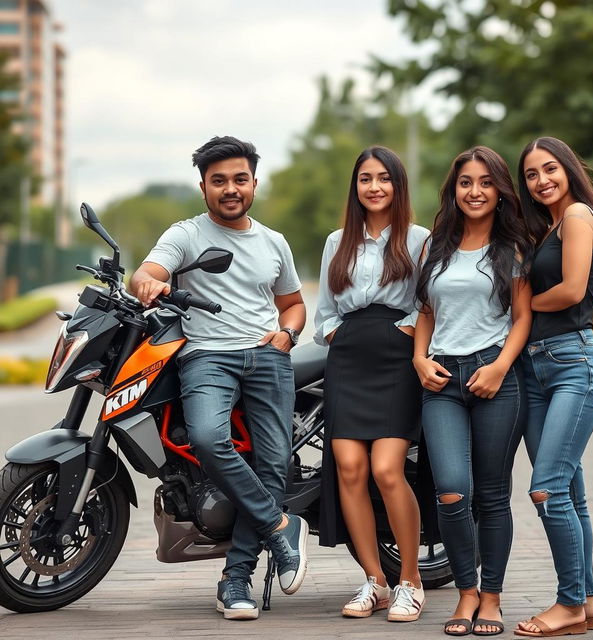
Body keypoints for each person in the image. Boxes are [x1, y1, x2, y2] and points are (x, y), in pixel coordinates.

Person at [131, 136, 308, 621]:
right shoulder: (186, 234)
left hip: (267, 356)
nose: (231, 189)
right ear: (204, 186)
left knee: (273, 466)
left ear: (253, 181)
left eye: (239, 179)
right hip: (207, 356)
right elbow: (148, 270)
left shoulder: (274, 242)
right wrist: (148, 281)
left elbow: (292, 303)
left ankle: (235, 581)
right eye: (219, 181)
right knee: (208, 439)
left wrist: (286, 335)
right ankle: (278, 525)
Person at [413, 146, 533, 636]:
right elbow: (426, 312)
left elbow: (522, 317)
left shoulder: (514, 247)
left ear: (500, 190)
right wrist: (419, 359)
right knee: (450, 490)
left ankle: (492, 597)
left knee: (492, 495)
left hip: (493, 378)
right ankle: (465, 593)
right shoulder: (434, 246)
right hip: (441, 379)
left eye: (486, 182)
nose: (475, 191)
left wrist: (501, 367)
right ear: (454, 189)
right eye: (466, 182)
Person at [314, 146, 430, 622]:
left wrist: (402, 330)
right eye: (366, 178)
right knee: (348, 468)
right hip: (347, 357)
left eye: (384, 178)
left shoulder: (420, 238)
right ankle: (374, 581)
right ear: (355, 187)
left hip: (396, 358)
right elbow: (323, 310)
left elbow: (430, 300)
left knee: (386, 469)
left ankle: (411, 580)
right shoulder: (336, 241)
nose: (375, 186)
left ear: (398, 186)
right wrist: (336, 332)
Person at [514, 137, 593, 638]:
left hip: (574, 364)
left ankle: (567, 603)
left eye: (549, 169)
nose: (542, 181)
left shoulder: (578, 215)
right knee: (569, 490)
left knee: (547, 488)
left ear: (568, 170)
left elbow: (574, 290)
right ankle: (589, 601)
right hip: (539, 368)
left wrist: (522, 306)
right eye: (532, 174)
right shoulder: (549, 227)